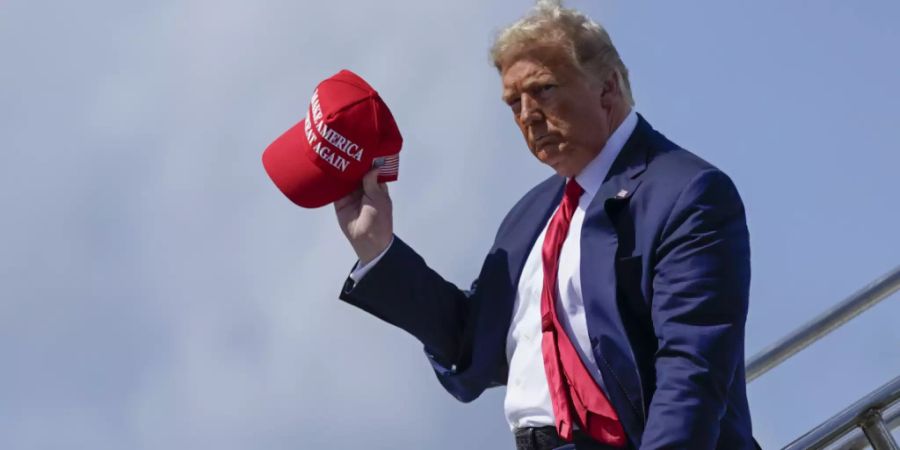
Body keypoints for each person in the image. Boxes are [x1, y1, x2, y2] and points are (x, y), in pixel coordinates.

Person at [333, 2, 756, 449]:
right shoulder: (531, 214)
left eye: (545, 89)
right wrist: (378, 248)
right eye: (514, 102)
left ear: (607, 89)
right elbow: (472, 344)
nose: (528, 116)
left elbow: (691, 372)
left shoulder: (686, 192)